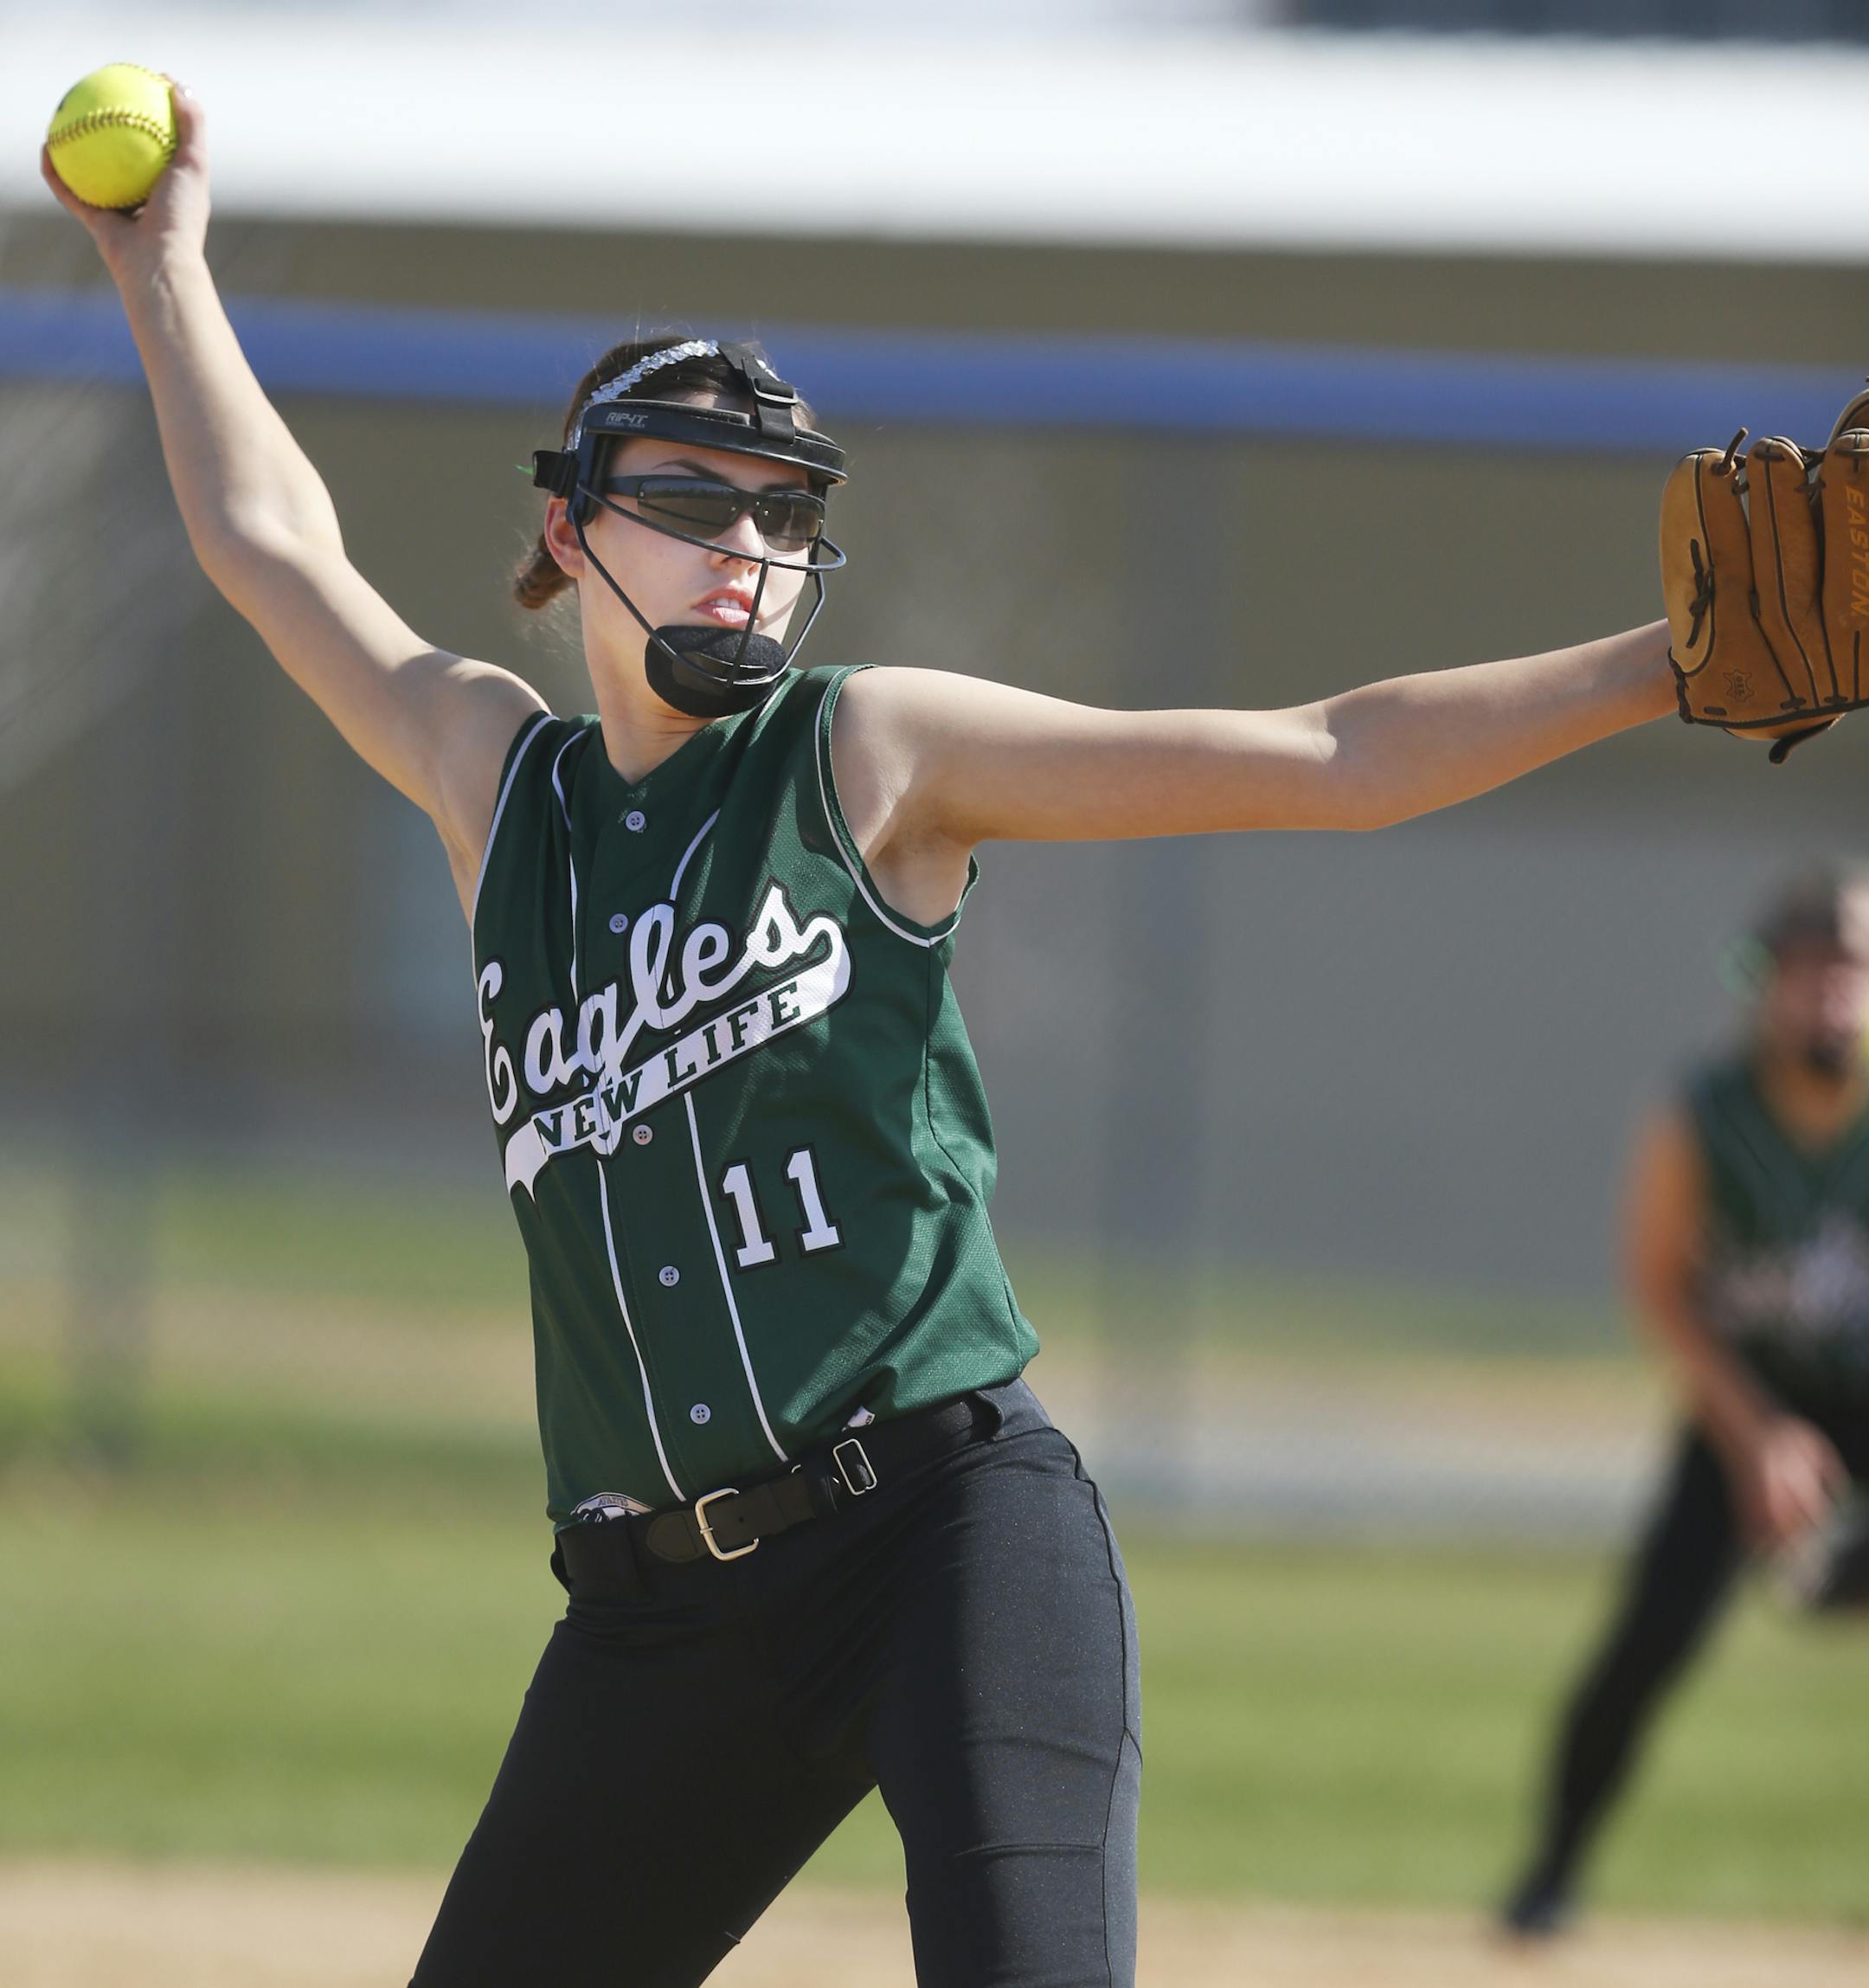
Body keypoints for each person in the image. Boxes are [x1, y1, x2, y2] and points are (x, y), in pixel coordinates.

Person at [48, 87, 1685, 1988]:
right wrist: (163, 266)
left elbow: (1334, 754)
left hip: (946, 1536)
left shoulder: (865, 751)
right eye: (688, 496)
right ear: (569, 532)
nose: (744, 541)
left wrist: (1673, 660)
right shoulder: (498, 781)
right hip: (657, 1615)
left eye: (781, 506)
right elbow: (272, 546)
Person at [1501, 866, 1869, 1940]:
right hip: (1749, 1400)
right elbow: (1661, 1285)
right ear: (1762, 987)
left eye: (1848, 971)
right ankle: (1550, 1871)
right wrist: (1758, 1439)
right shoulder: (1704, 1112)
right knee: (1649, 1637)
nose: (1828, 997)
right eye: (1804, 974)